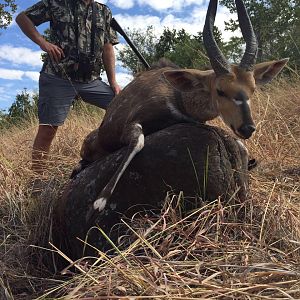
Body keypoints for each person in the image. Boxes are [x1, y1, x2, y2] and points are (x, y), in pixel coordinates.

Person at [16, 0, 121, 175]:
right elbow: (22, 18)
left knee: (122, 105)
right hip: (58, 76)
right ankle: (37, 180)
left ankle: (109, 157)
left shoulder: (103, 11)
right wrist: (43, 43)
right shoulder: (56, 3)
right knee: (48, 128)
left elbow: (107, 47)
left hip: (92, 80)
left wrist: (113, 82)